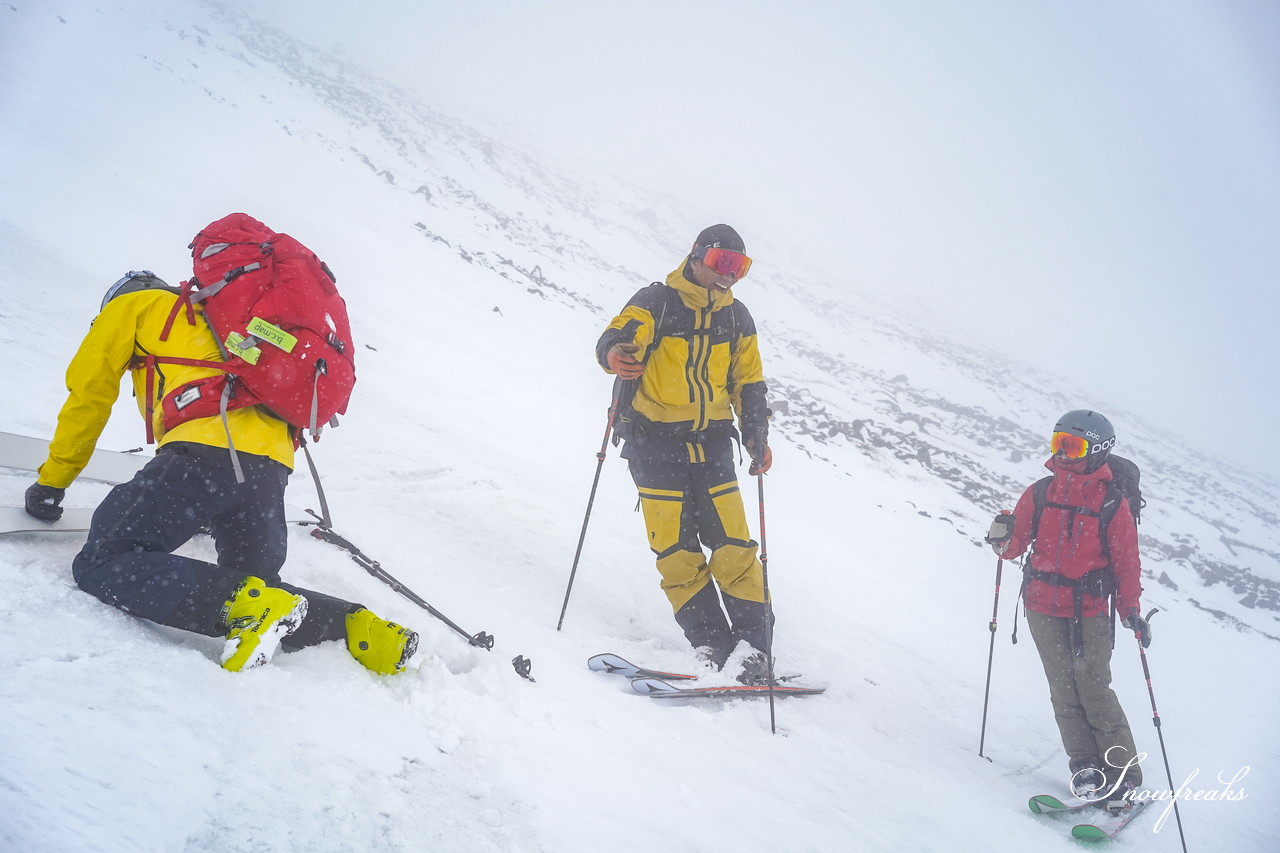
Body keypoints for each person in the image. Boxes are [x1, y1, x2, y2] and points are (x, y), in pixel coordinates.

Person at [23, 268, 418, 674]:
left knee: (105, 560)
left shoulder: (132, 307)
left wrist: (53, 481)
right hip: (271, 468)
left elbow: (88, 397)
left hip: (204, 450)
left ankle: (251, 611)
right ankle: (360, 630)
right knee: (255, 581)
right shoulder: (224, 315)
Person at [595, 224, 774, 681]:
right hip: (652, 445)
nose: (729, 275)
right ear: (696, 257)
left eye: (739, 267)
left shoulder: (738, 319)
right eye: (721, 263)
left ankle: (755, 649)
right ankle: (712, 644)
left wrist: (756, 433)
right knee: (676, 552)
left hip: (712, 444)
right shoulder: (657, 301)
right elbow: (621, 333)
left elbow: (748, 382)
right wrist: (615, 352)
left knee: (734, 548)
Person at [986, 409, 1150, 808]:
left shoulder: (1112, 502)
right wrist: (1001, 538)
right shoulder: (1041, 492)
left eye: (1072, 446)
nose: (1063, 453)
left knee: (1093, 688)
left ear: (1098, 451)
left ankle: (1123, 775)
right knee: (1063, 689)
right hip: (1041, 606)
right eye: (1058, 442)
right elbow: (1013, 550)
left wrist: (1131, 611)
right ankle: (1085, 765)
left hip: (1089, 609)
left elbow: (1127, 561)